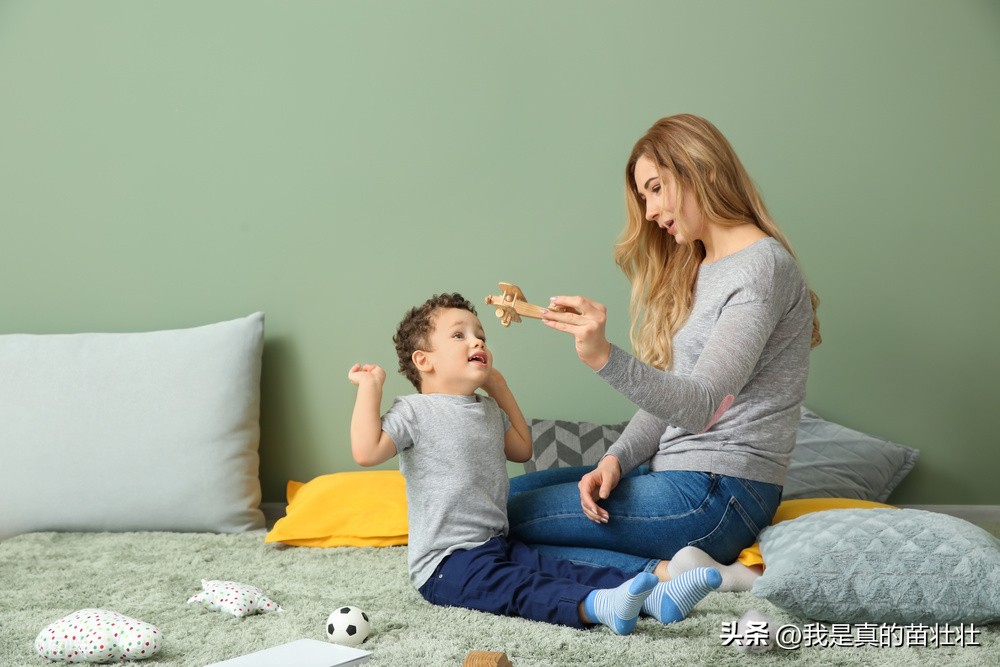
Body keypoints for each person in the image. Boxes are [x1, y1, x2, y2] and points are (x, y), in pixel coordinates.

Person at [507, 114, 822, 592]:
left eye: (655, 188)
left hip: (721, 494)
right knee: (499, 506)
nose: (649, 211)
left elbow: (700, 406)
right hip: (683, 478)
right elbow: (670, 399)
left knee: (500, 518)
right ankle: (678, 574)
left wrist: (602, 357)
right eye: (643, 196)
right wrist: (614, 459)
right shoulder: (702, 266)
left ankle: (695, 569)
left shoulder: (762, 268)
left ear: (704, 171)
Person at [348, 293, 721, 634]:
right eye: (459, 336)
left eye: (480, 335)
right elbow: (367, 451)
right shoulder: (414, 411)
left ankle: (656, 596)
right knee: (523, 588)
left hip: (495, 544)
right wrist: (370, 389)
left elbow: (523, 449)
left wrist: (500, 388)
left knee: (557, 568)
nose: (478, 341)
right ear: (423, 360)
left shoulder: (488, 409)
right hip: (446, 565)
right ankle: (596, 606)